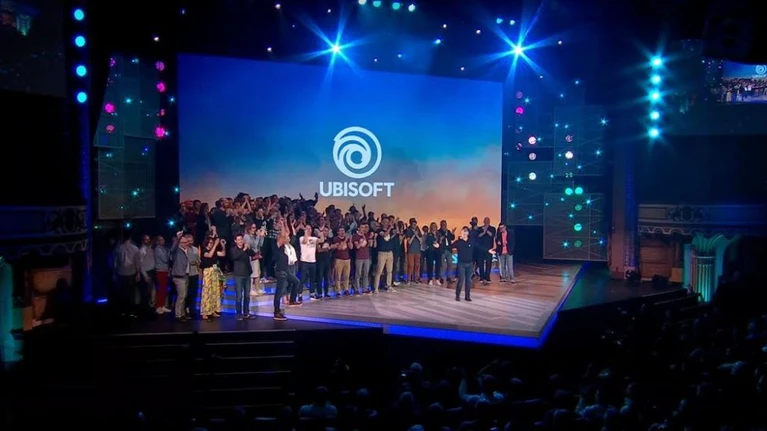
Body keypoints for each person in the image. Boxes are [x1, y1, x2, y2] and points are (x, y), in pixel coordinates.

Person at [450, 227, 493, 302]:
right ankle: (457, 295)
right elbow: (449, 247)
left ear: (467, 233)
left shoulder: (471, 241)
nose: (462, 234)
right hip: (461, 264)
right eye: (462, 232)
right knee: (461, 280)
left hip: (469, 264)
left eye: (464, 232)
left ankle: (467, 296)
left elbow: (479, 247)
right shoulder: (458, 242)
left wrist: (488, 251)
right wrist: (439, 246)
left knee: (468, 281)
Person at [114, 230, 141, 317]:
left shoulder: (119, 248)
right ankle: (131, 311)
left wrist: (114, 273)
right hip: (131, 272)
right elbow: (137, 262)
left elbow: (116, 262)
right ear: (130, 237)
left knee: (123, 292)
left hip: (121, 272)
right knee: (131, 292)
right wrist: (138, 273)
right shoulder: (135, 248)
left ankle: (123, 310)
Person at [230, 233, 256, 321]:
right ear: (235, 241)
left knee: (247, 295)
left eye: (241, 239)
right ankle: (238, 314)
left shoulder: (246, 248)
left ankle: (246, 313)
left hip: (247, 274)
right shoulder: (233, 250)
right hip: (238, 275)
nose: (240, 241)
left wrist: (249, 248)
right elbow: (235, 257)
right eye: (238, 240)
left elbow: (253, 254)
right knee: (239, 296)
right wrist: (244, 250)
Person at [200, 236, 226, 320]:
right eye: (210, 243)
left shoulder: (214, 251)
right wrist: (215, 244)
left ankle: (213, 310)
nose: (211, 244)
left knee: (215, 292)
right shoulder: (204, 251)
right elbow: (210, 255)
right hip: (208, 272)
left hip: (215, 272)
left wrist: (222, 245)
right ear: (206, 243)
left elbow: (223, 254)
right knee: (207, 292)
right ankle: (205, 312)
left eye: (212, 243)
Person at [274, 232, 298, 320]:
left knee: (296, 281)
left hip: (286, 270)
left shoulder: (283, 247)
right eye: (285, 237)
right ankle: (277, 312)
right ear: (280, 239)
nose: (287, 239)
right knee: (279, 292)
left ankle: (292, 300)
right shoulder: (276, 247)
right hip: (280, 272)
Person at [169, 231, 191, 321]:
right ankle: (178, 315)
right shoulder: (176, 251)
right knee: (181, 296)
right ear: (180, 243)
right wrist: (178, 238)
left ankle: (182, 313)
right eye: (185, 242)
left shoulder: (186, 250)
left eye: (187, 242)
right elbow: (172, 249)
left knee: (184, 296)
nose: (187, 243)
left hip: (185, 275)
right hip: (178, 276)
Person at [477, 217, 497, 285]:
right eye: (485, 220)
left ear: (489, 221)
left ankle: (487, 277)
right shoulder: (480, 228)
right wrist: (483, 231)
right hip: (481, 249)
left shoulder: (492, 228)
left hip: (489, 249)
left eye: (488, 220)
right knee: (480, 263)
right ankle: (481, 277)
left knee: (488, 263)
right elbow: (478, 236)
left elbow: (492, 235)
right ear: (483, 221)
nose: (486, 221)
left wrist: (486, 230)